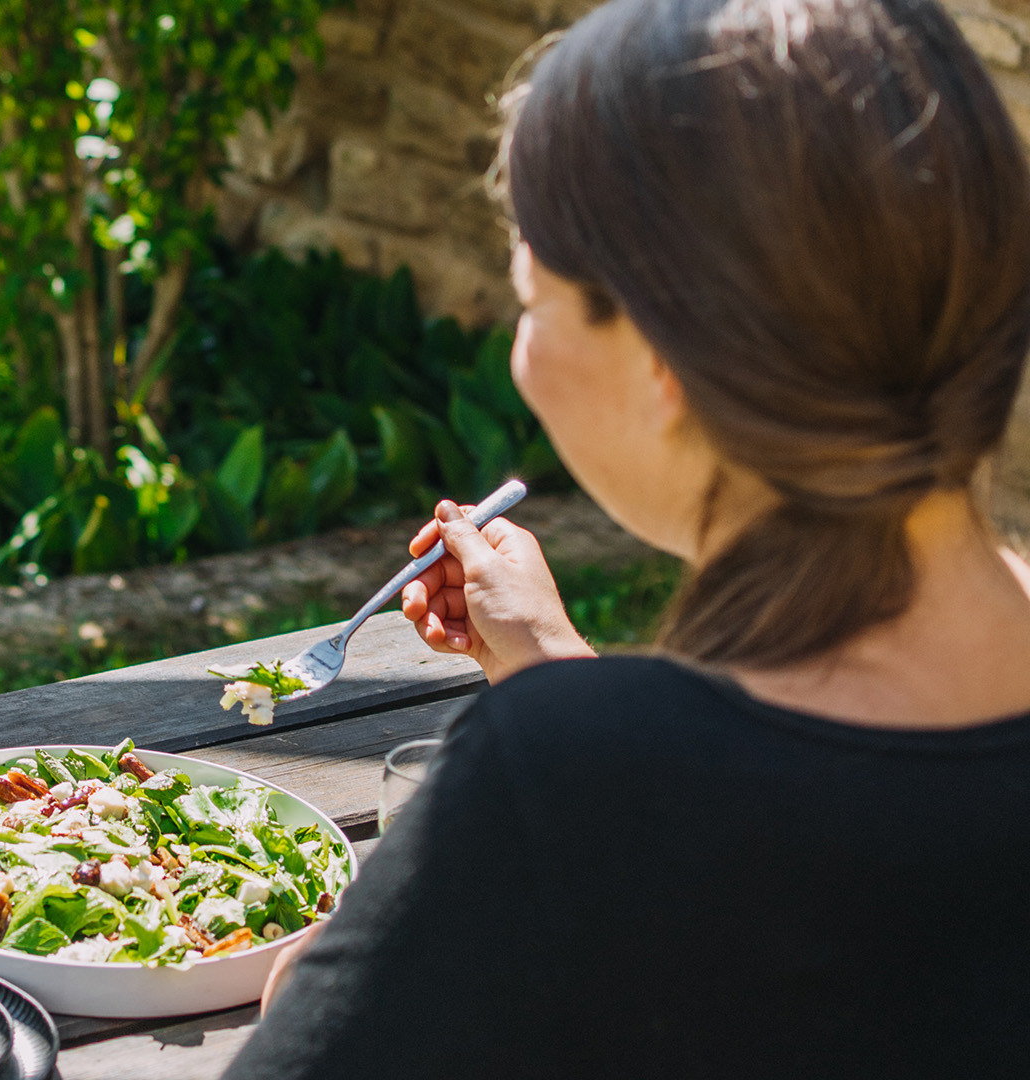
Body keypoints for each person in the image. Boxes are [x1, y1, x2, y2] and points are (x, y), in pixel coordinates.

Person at [228, 0, 1030, 1074]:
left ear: (660, 357)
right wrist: (558, 672)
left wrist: (324, 984)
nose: (521, 355)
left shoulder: (559, 784)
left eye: (531, 301)